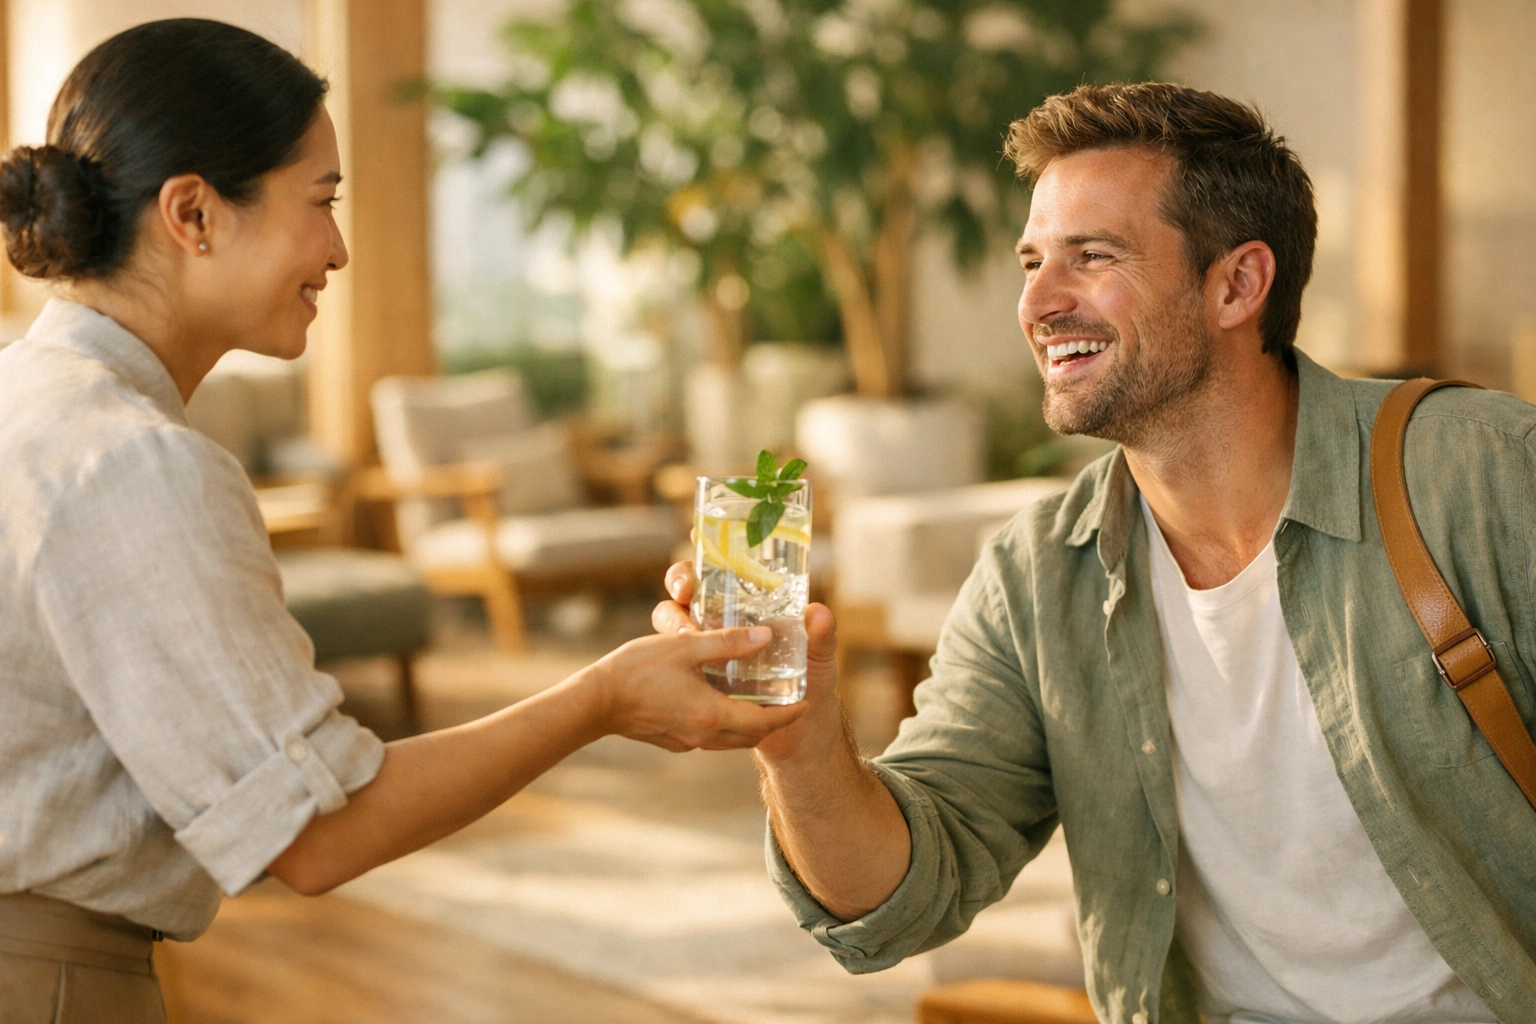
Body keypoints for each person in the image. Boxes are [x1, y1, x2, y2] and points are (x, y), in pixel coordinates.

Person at [656, 83, 1536, 1023]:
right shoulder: (1037, 575)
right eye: (1032, 260)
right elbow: (894, 904)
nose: (1037, 300)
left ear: (1238, 283)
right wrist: (798, 747)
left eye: (1092, 256)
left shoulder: (1483, 478)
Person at [0, 19, 802, 1022]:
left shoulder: (27, 401)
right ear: (194, 213)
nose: (337, 250)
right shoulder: (132, 460)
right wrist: (600, 700)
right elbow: (320, 834)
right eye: (320, 203)